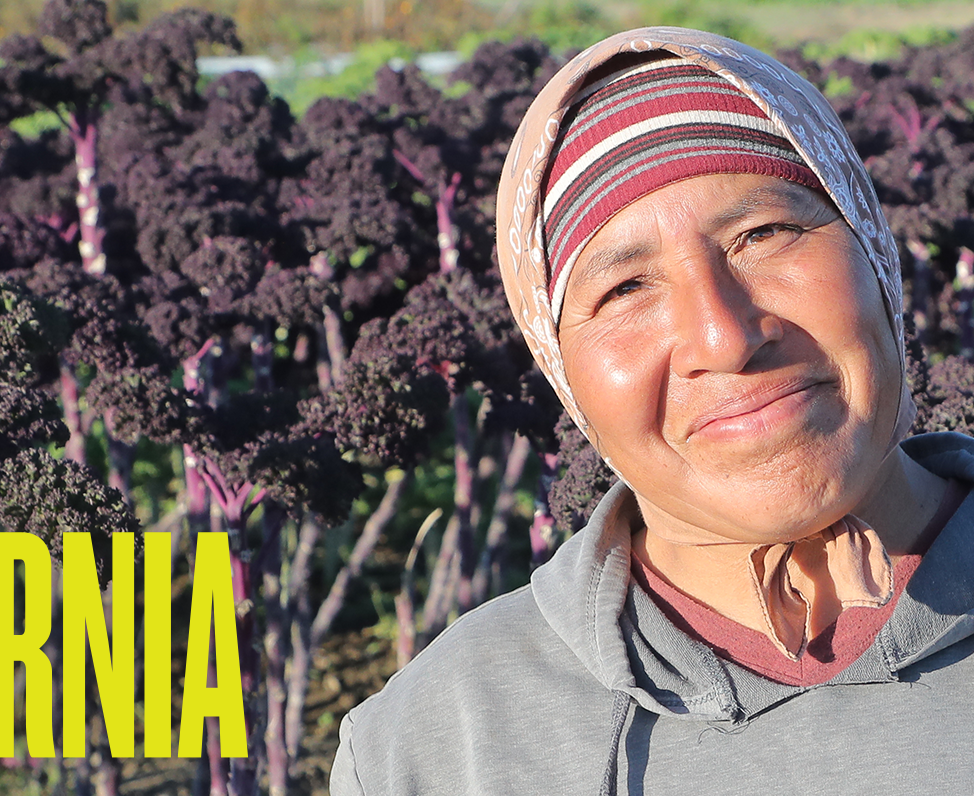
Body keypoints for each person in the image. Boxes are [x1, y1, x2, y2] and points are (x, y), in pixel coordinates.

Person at [329, 27, 974, 796]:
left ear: (875, 253)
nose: (724, 337)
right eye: (625, 288)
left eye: (763, 233)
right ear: (563, 374)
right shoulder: (437, 746)